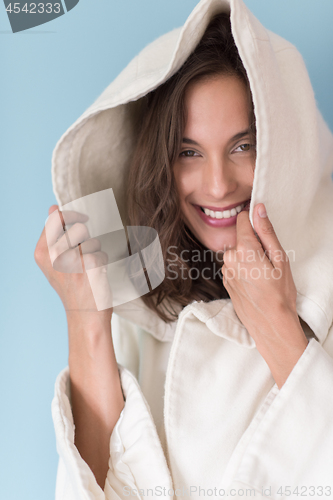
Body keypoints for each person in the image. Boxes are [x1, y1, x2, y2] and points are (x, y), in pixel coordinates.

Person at [34, 0, 333, 498]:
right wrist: (87, 321)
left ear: (285, 147)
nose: (217, 186)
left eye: (244, 146)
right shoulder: (149, 316)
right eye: (188, 152)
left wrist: (280, 329)